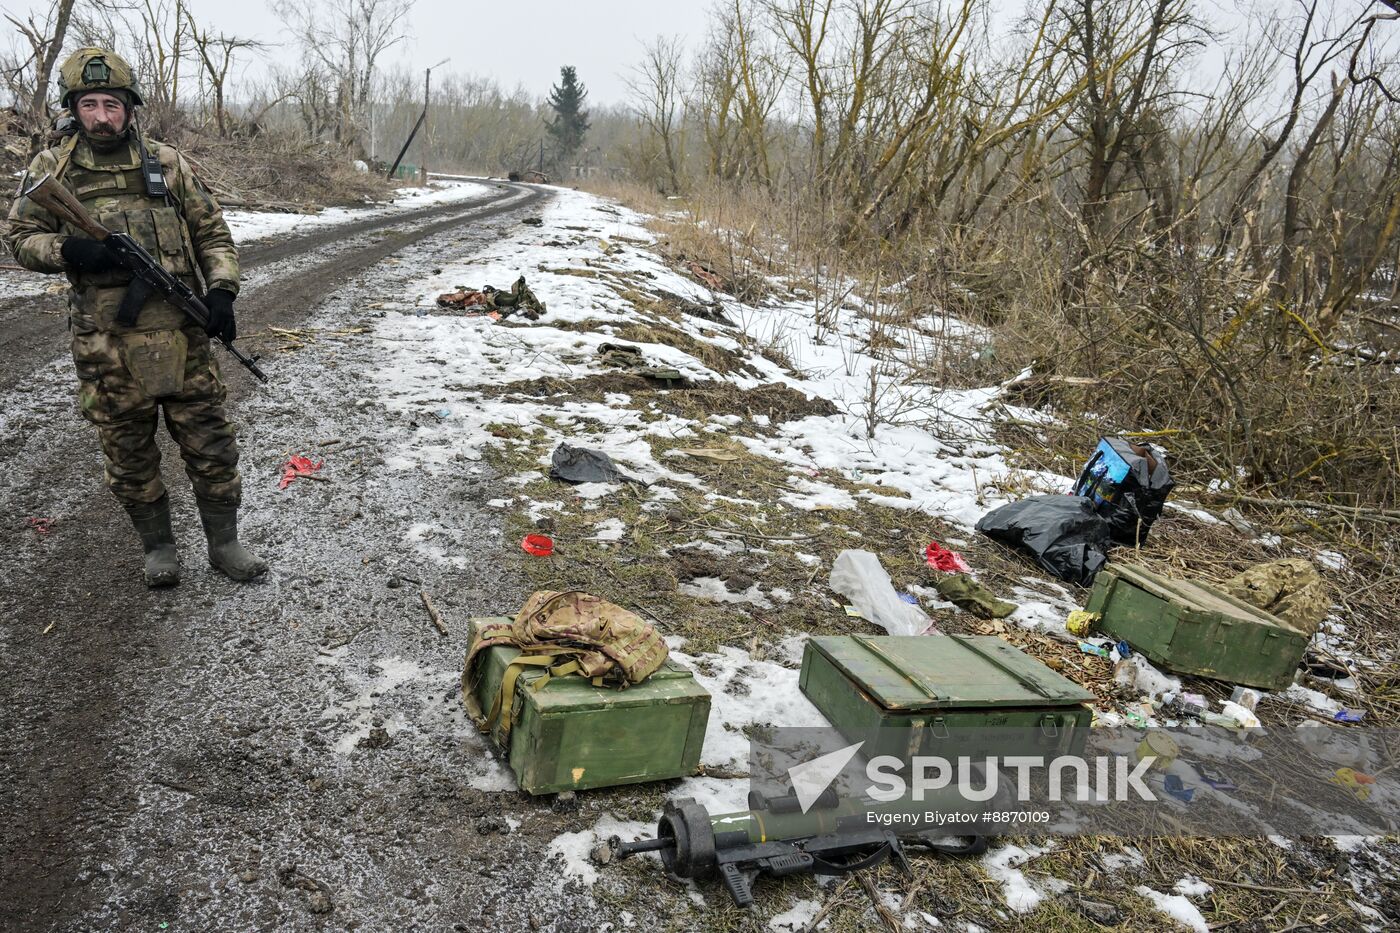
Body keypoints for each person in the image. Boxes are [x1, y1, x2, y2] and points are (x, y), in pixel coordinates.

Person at [4, 47, 267, 586]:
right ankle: (159, 548)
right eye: (90, 104)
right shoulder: (50, 169)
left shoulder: (167, 164)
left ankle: (225, 542)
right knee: (128, 452)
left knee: (211, 443)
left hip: (182, 334)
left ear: (131, 107)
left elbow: (211, 232)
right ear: (72, 108)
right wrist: (70, 253)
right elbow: (20, 239)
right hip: (106, 344)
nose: (102, 116)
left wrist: (221, 291)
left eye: (112, 104)